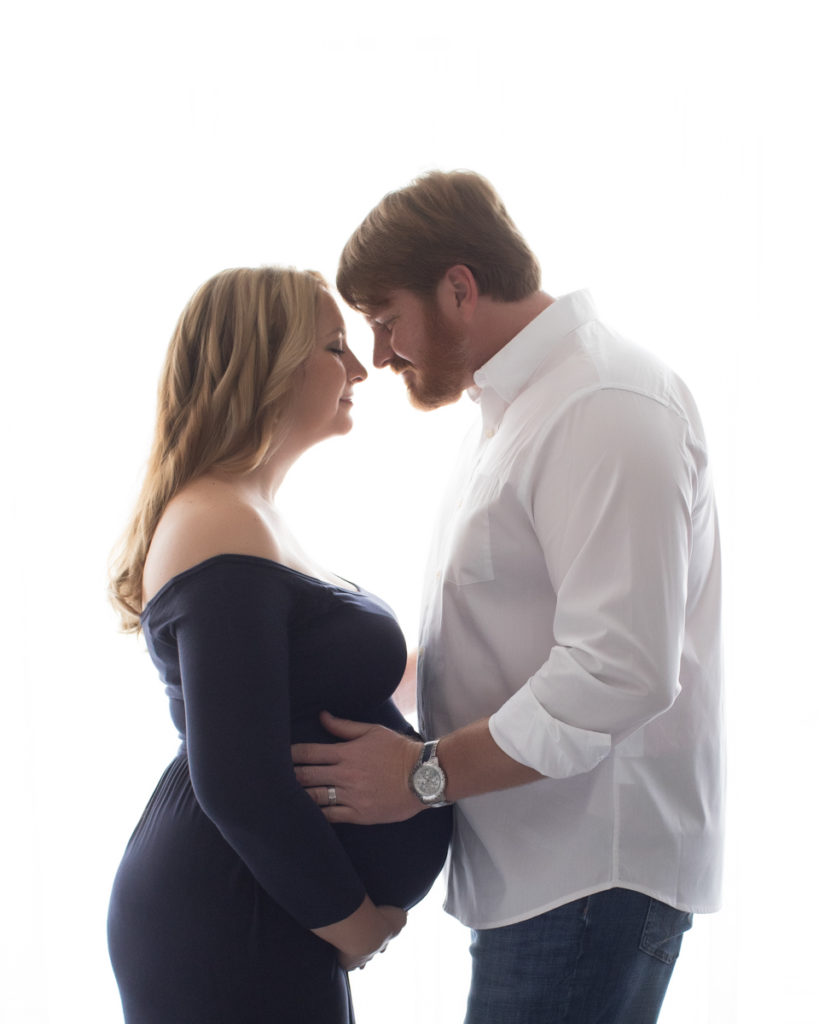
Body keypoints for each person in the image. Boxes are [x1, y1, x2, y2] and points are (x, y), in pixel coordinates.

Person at [292, 172, 725, 1023]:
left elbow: (619, 672)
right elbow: (509, 634)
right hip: (545, 869)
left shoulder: (603, 404)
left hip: (589, 872)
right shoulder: (520, 408)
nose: (378, 356)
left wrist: (422, 775)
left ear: (458, 287)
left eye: (386, 321)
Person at [106, 266, 452, 1024]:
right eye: (335, 347)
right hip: (232, 911)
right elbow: (238, 778)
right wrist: (355, 923)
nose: (361, 368)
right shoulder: (218, 521)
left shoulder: (248, 514)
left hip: (262, 908)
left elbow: (312, 694)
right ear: (266, 365)